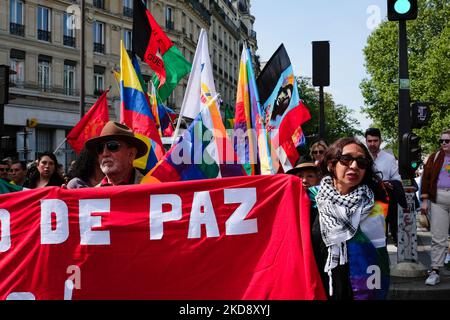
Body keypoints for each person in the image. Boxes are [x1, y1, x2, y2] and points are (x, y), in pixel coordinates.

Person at [311, 137, 390, 300]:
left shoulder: (373, 207)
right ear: (331, 164)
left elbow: (378, 259)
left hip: (356, 289)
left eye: (361, 162)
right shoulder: (310, 200)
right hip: (318, 283)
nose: (354, 166)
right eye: (346, 159)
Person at [420, 128, 450, 286]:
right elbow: (426, 179)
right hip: (439, 199)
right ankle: (435, 270)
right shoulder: (435, 156)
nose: (443, 143)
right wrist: (424, 200)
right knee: (438, 237)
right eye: (442, 141)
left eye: (447, 141)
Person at [365, 127, 405, 245]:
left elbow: (397, 179)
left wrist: (388, 184)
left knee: (382, 236)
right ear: (366, 141)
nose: (372, 144)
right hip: (365, 202)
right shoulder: (361, 156)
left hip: (384, 202)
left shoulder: (389, 158)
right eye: (370, 141)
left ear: (380, 141)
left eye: (375, 141)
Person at [85, 121, 148, 186]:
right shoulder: (93, 194)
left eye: (112, 146)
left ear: (131, 154)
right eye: (100, 148)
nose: (105, 154)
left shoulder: (151, 190)